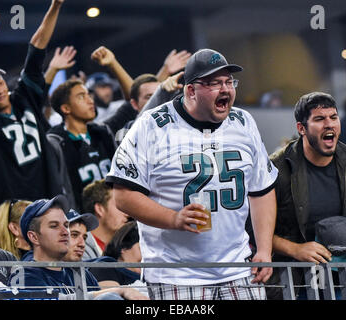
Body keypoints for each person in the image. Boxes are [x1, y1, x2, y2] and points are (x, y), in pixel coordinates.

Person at [106, 48, 278, 300]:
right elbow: (123, 195)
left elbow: (261, 189)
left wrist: (264, 248)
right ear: (190, 90)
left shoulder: (244, 122)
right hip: (176, 273)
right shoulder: (151, 125)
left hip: (239, 268)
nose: (226, 90)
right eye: (215, 83)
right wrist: (173, 218)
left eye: (229, 82)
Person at [267, 91, 346, 300]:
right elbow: (254, 228)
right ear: (301, 129)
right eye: (319, 119)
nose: (329, 124)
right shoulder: (275, 168)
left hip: (341, 277)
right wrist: (296, 249)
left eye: (333, 117)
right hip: (292, 279)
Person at [0, 1, 66, 211]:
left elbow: (36, 50)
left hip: (49, 201)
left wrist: (55, 5)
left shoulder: (25, 99)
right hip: (13, 210)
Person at [7, 195, 148, 300]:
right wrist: (118, 291)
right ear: (34, 237)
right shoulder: (23, 274)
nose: (64, 232)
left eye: (66, 225)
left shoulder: (81, 274)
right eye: (54, 226)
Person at [89, 221, 145, 291]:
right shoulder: (105, 268)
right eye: (142, 249)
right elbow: (109, 297)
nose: (146, 257)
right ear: (124, 248)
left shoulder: (151, 278)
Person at [82, 179, 129, 260]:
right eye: (119, 206)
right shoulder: (79, 250)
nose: (127, 214)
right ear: (100, 209)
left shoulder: (129, 246)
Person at [114, 73, 160, 145]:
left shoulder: (178, 125)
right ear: (134, 104)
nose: (156, 101)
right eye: (149, 97)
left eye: (158, 95)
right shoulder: (126, 132)